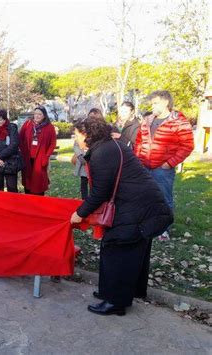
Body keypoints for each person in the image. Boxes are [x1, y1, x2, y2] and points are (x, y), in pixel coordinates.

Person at [70, 118, 173, 316]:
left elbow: (100, 192)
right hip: (141, 205)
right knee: (129, 252)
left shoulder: (102, 153)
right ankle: (117, 292)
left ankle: (116, 302)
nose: (75, 138)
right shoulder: (110, 145)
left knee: (117, 250)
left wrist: (79, 214)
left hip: (139, 208)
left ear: (87, 135)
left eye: (77, 134)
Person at [134, 90, 194, 241]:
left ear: (166, 102)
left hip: (163, 169)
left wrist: (169, 164)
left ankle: (163, 230)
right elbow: (139, 142)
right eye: (152, 103)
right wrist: (138, 159)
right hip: (144, 167)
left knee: (164, 199)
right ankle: (147, 224)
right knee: (145, 197)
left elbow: (187, 145)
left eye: (155, 103)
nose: (152, 106)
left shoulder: (179, 121)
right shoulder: (147, 120)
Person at [19, 106, 57, 195]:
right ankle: (28, 200)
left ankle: (38, 201)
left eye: (40, 114)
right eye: (35, 114)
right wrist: (23, 151)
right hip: (27, 157)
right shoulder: (28, 124)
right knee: (27, 179)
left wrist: (46, 156)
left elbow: (53, 143)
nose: (37, 116)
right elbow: (20, 138)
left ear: (44, 116)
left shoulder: (49, 127)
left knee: (39, 181)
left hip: (40, 158)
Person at [71, 109, 106, 199]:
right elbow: (76, 145)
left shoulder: (101, 139)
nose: (92, 119)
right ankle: (84, 199)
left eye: (94, 117)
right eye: (90, 117)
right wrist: (80, 156)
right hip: (83, 161)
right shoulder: (82, 132)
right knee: (84, 181)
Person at [0, 109, 22, 193]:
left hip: (10, 163)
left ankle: (13, 205)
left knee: (12, 188)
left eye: (1, 119)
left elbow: (13, 145)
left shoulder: (12, 129)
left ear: (5, 119)